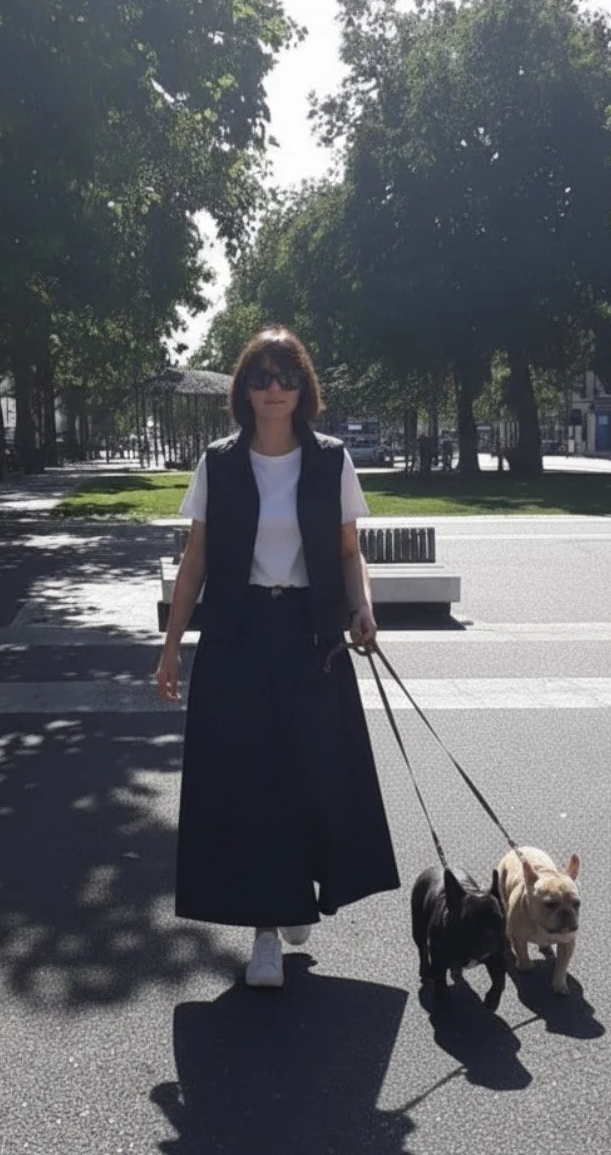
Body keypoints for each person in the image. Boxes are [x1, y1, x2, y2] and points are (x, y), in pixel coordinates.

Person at [155, 326, 400, 990]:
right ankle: (266, 930)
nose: (273, 389)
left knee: (311, 773)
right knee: (250, 782)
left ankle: (297, 891)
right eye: (260, 377)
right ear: (244, 389)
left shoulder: (330, 460)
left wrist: (363, 608)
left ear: (303, 388)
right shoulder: (219, 463)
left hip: (310, 636)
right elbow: (196, 561)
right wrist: (171, 647)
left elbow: (349, 553)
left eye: (286, 377)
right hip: (236, 637)